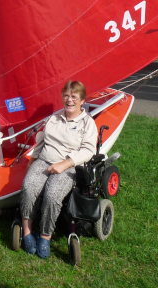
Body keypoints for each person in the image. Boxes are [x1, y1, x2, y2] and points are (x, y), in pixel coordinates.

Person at [19, 80, 98, 259]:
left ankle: (45, 235)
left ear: (82, 100)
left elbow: (88, 150)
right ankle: (27, 231)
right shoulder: (54, 117)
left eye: (74, 97)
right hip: (45, 160)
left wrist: (65, 163)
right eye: (66, 96)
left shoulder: (87, 123)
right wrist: (32, 161)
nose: (69, 100)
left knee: (52, 195)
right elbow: (41, 139)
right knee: (28, 187)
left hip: (68, 166)